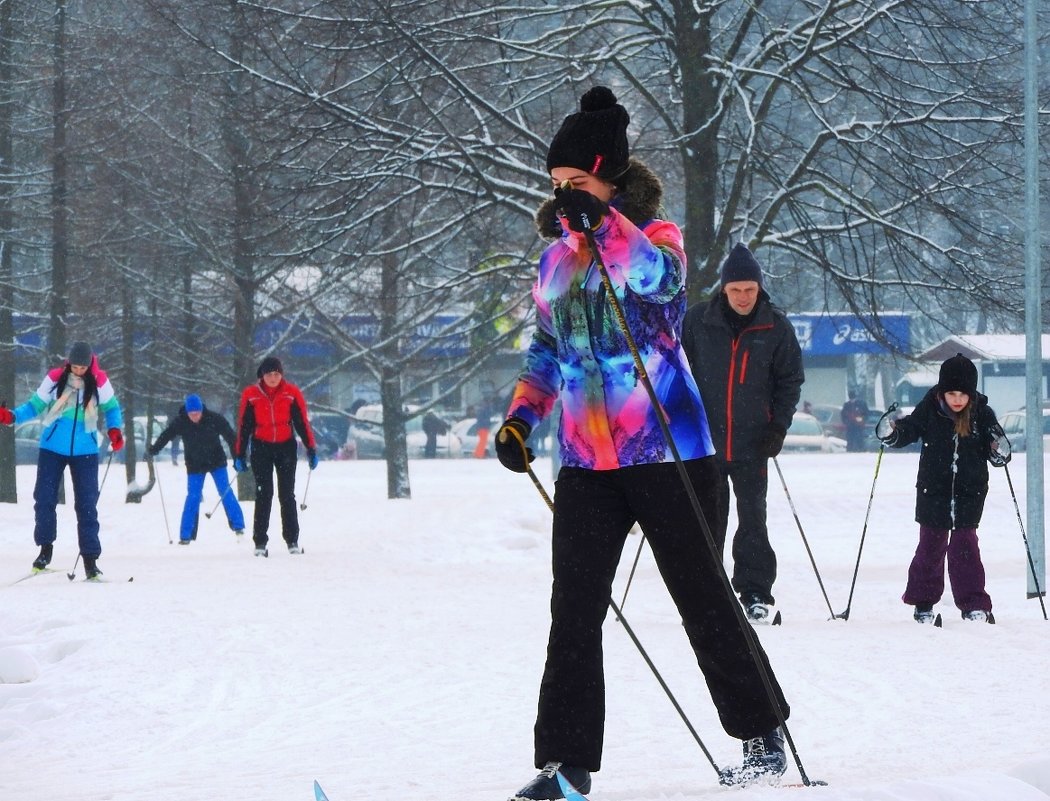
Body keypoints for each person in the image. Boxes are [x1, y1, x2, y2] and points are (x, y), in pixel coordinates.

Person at [495, 86, 789, 801]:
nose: (565, 199)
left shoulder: (655, 238)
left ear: (611, 181)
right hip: (588, 461)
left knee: (701, 593)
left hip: (669, 451)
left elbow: (659, 289)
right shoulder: (554, 263)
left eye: (579, 185)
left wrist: (609, 228)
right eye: (558, 187)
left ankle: (761, 733)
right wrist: (521, 417)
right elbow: (544, 347)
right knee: (575, 607)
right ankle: (566, 765)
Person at [681, 244, 804, 623]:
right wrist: (680, 423)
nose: (743, 297)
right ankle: (707, 594)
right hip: (706, 443)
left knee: (753, 519)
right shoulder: (696, 322)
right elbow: (677, 374)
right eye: (736, 290)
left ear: (759, 288)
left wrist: (778, 426)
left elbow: (789, 381)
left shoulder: (775, 327)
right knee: (708, 520)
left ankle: (755, 591)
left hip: (754, 443)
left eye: (750, 289)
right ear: (724, 289)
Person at [877, 353, 1008, 624]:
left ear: (971, 393)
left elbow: (997, 449)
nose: (957, 399)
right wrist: (891, 432)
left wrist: (999, 449)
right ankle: (923, 602)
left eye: (963, 393)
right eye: (952, 393)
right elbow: (908, 430)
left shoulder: (981, 414)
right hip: (932, 490)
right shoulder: (930, 409)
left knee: (965, 547)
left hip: (970, 492)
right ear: (942, 392)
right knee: (931, 546)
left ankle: (974, 604)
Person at [0, 341, 123, 580]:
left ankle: (90, 561)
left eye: (82, 367)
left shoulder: (99, 382)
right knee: (44, 499)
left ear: (89, 364)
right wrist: (10, 416)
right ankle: (45, 550)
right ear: (69, 363)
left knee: (87, 505)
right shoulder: (56, 378)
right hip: (52, 448)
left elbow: (112, 409)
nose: (78, 371)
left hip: (86, 450)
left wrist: (115, 430)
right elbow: (34, 406)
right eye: (74, 366)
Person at [233, 356, 318, 557]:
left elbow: (301, 422)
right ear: (262, 375)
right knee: (264, 494)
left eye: (277, 374)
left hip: (285, 446)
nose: (273, 378)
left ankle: (292, 540)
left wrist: (311, 448)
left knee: (287, 495)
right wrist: (240, 453)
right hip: (261, 446)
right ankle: (260, 542)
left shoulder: (291, 393)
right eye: (269, 374)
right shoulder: (251, 394)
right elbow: (244, 426)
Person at [147, 393, 245, 544]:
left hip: (216, 461)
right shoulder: (181, 422)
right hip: (195, 464)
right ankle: (185, 535)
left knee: (225, 490)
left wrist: (238, 457)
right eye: (191, 414)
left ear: (201, 410)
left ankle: (238, 525)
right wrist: (154, 449)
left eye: (197, 413)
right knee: (193, 496)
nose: (194, 417)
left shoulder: (214, 419)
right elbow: (167, 435)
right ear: (187, 412)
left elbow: (231, 437)